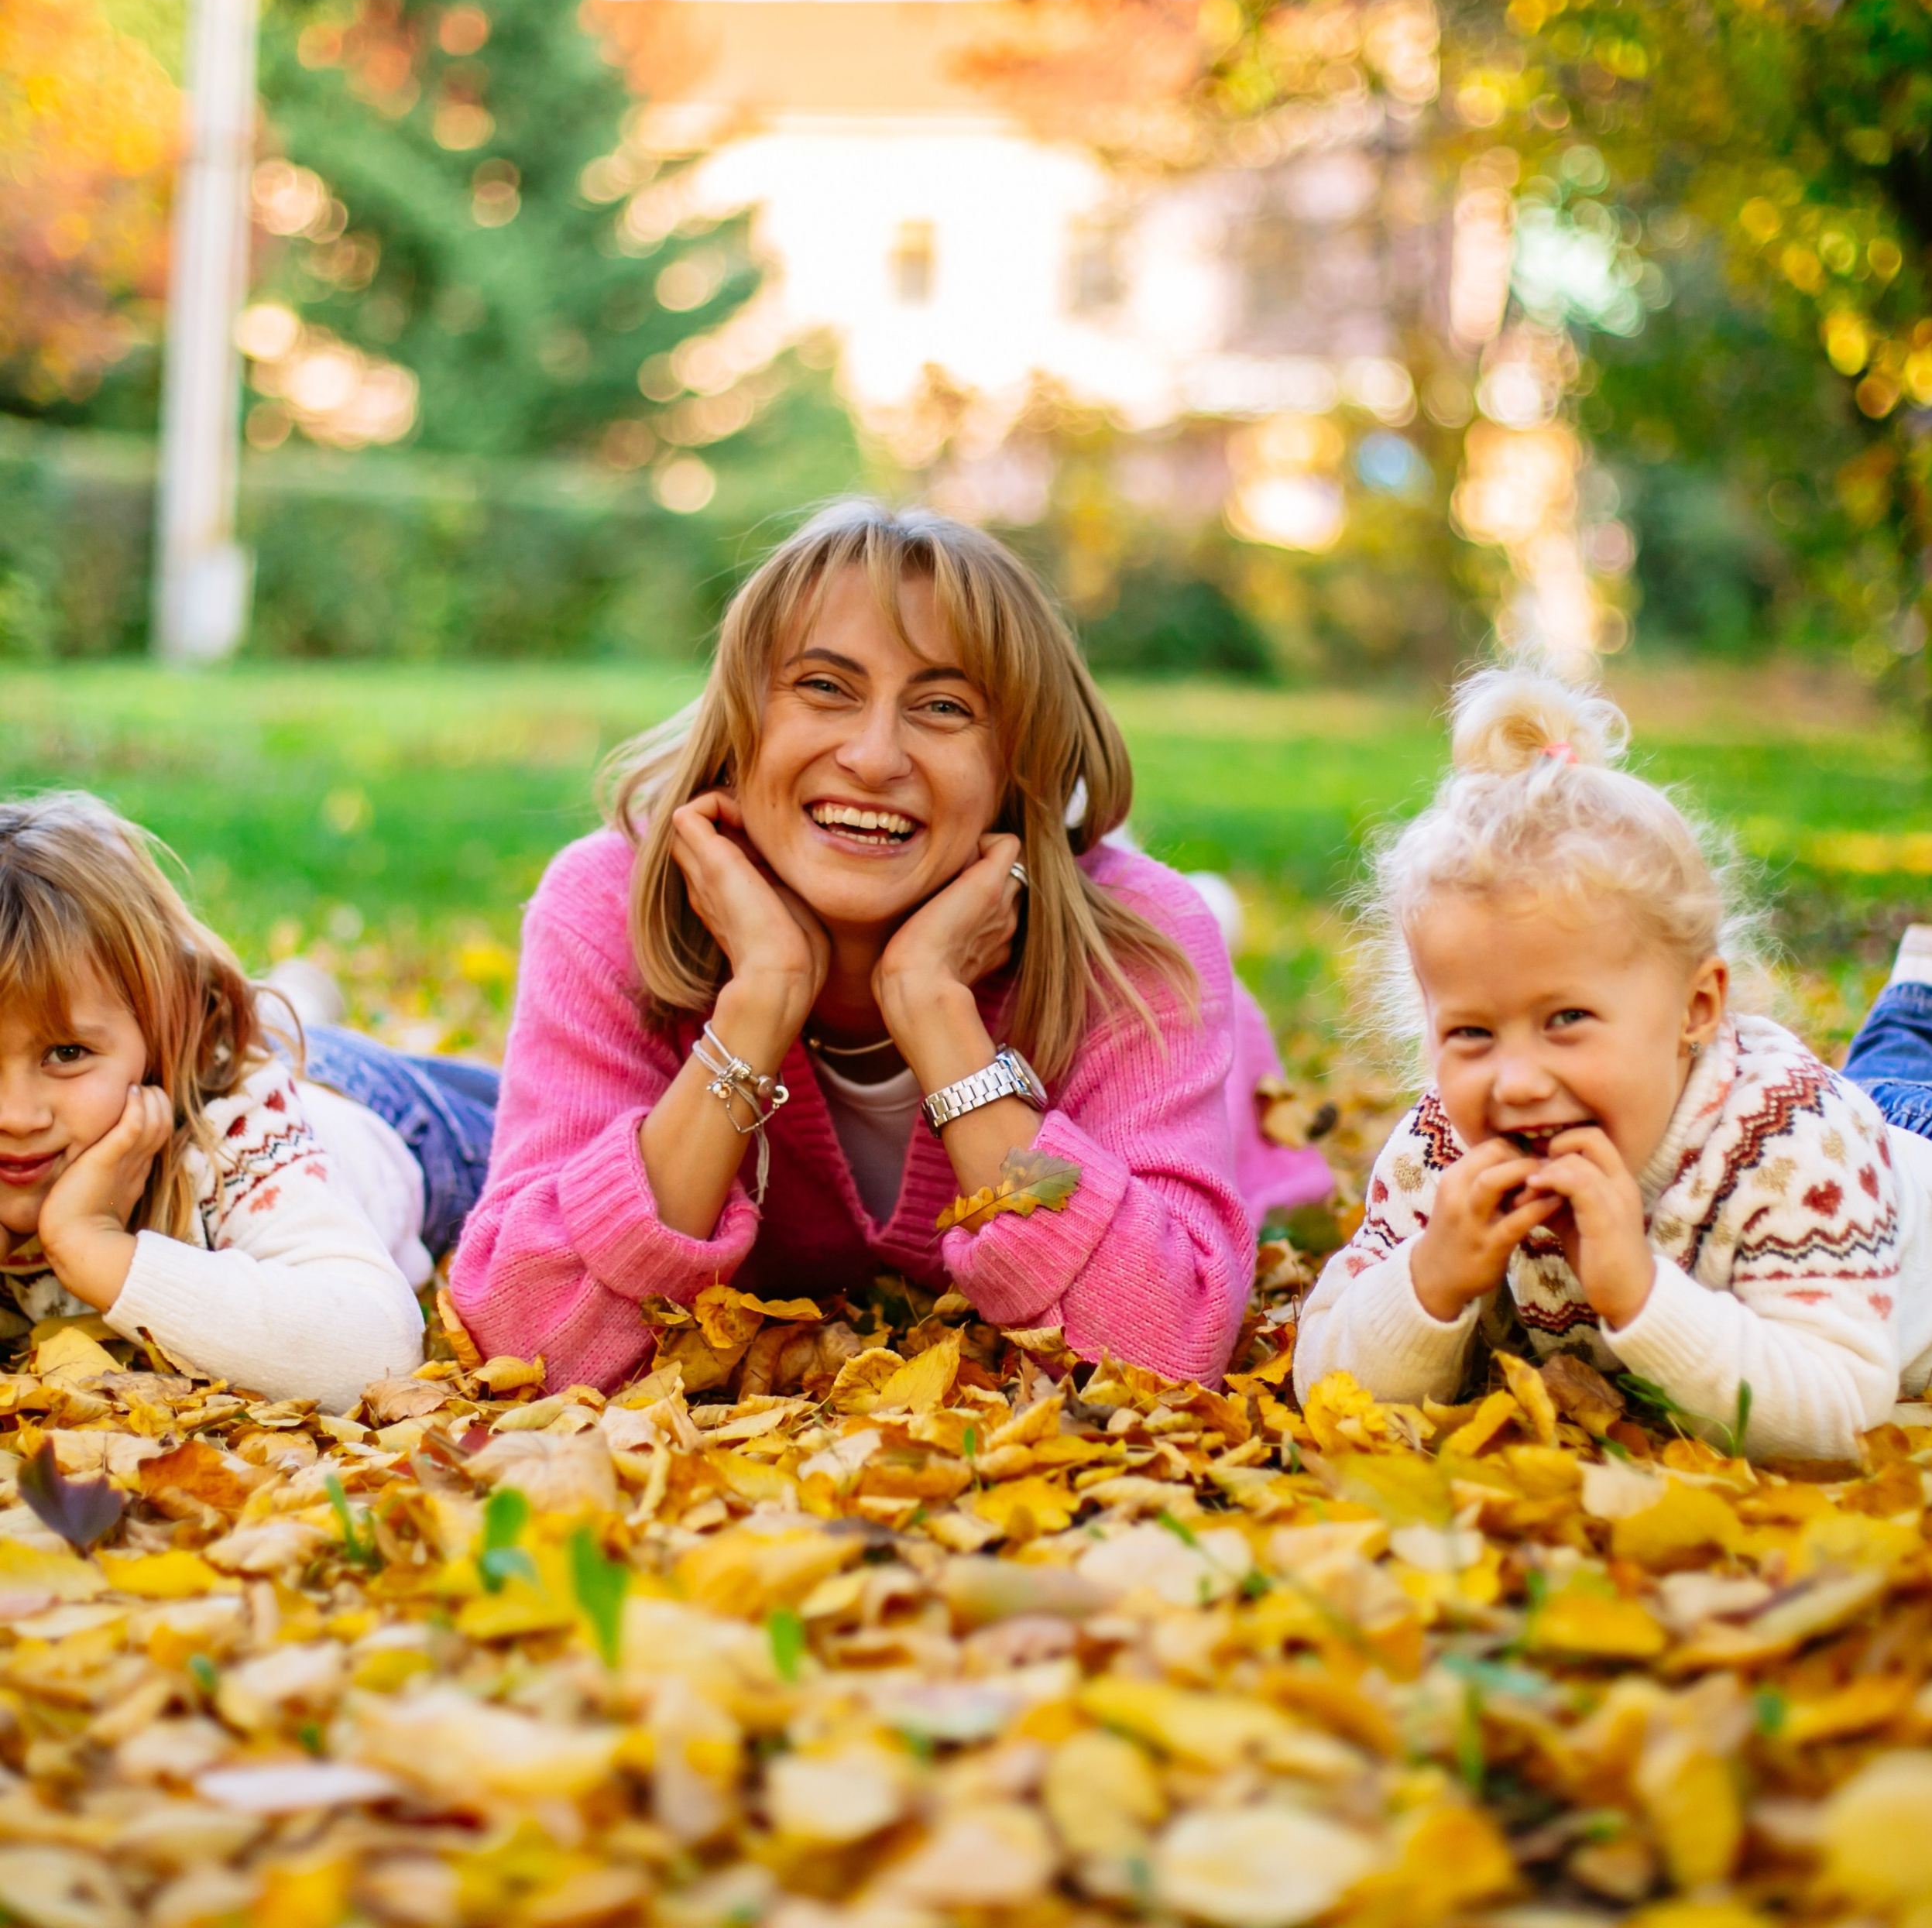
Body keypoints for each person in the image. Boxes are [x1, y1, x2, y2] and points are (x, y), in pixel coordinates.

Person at [451, 501, 1256, 1394]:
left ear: (1015, 769)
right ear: (740, 724)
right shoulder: (606, 901)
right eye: (824, 687)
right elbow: (530, 1341)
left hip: (1180, 1045)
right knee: (386, 1110)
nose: (873, 758)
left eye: (944, 706)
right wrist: (760, 1001)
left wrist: (938, 1016)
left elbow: (1166, 1348)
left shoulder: (1136, 948)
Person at [1293, 664, 1932, 1462]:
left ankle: (1927, 1005)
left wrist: (1644, 1298)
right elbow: (1328, 1388)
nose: (1515, 1080)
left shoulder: (1790, 1148)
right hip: (1860, 1137)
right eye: (1472, 1034)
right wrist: (1427, 1278)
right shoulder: (1446, 1148)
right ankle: (1923, 1011)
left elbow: (1839, 1420)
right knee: (1885, 1086)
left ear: (1696, 1010)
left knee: (1906, 1093)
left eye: (1566, 1020)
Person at [0, 792, 496, 1412]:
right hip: (265, 1050)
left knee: (546, 1127)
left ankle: (296, 1006)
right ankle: (298, 996)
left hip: (397, 1123)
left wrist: (93, 1246)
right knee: (286, 1033)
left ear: (161, 1031)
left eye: (67, 1053)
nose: (17, 1116)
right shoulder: (59, 1097)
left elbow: (376, 1352)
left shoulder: (236, 1133)